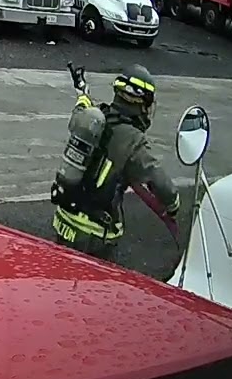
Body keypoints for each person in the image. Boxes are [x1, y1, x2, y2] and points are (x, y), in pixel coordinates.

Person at [51, 64, 181, 262]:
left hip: (65, 219)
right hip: (93, 233)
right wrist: (173, 204)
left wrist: (82, 92)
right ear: (142, 103)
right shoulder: (133, 140)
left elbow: (81, 106)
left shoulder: (96, 117)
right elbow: (159, 181)